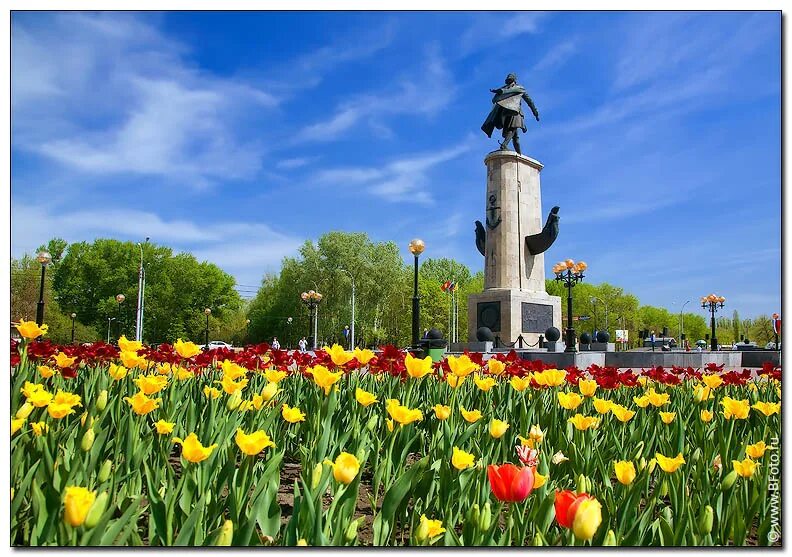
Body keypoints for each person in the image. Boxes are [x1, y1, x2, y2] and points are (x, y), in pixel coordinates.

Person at [481, 73, 540, 154]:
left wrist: (535, 112)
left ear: (514, 80)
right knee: (512, 130)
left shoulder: (519, 88)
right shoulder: (504, 89)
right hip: (508, 113)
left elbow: (529, 102)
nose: (509, 81)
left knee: (515, 137)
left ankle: (519, 156)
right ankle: (504, 145)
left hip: (516, 113)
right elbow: (497, 98)